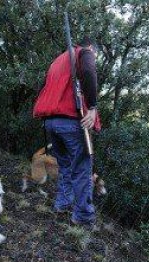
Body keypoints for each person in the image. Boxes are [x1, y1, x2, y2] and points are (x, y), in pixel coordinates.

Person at [33, 37, 100, 228]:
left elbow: (44, 88)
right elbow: (88, 71)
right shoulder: (84, 53)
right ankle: (83, 216)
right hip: (71, 121)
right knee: (82, 169)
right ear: (91, 48)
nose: (93, 57)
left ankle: (62, 204)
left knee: (65, 166)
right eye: (95, 54)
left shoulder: (57, 61)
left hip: (51, 122)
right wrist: (93, 107)